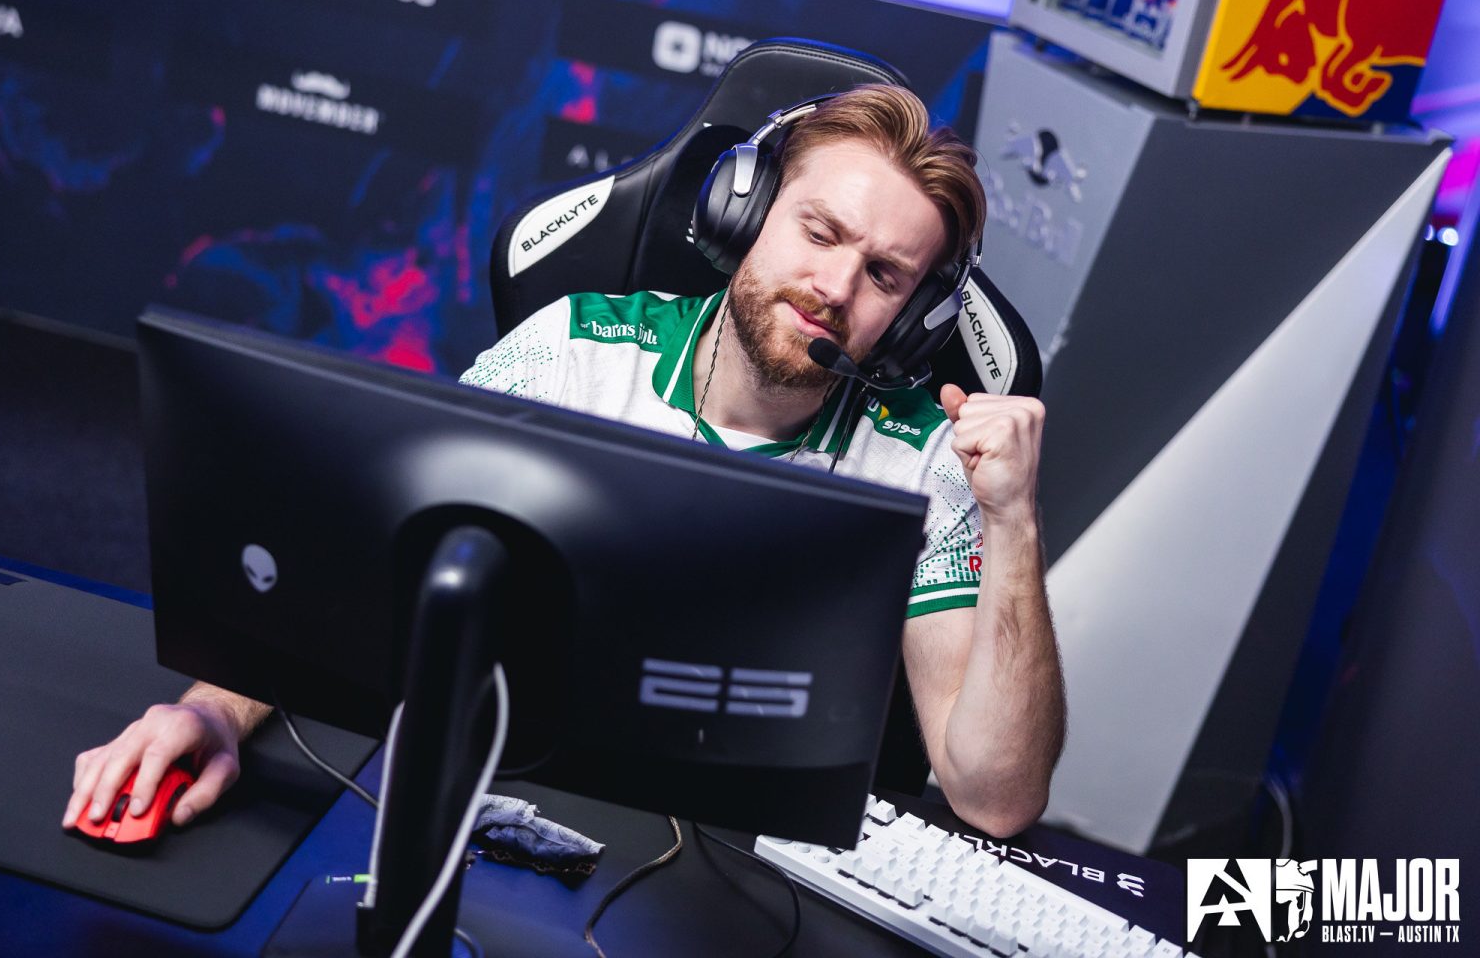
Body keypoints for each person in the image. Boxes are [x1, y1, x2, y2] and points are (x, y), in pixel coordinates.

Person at [65, 84, 1065, 840]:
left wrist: (1013, 520)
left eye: (884, 273)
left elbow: (995, 798)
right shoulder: (573, 353)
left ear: (914, 318)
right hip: (524, 808)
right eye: (820, 231)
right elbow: (366, 568)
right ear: (744, 208)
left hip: (747, 875)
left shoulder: (921, 461)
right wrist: (213, 711)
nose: (837, 286)